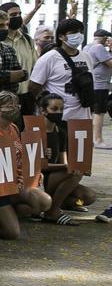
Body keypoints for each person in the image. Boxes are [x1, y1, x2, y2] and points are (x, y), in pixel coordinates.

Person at [0, 92, 52, 239]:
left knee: (43, 202)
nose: (15, 109)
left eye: (17, 106)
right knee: (11, 233)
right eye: (10, 106)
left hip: (13, 184)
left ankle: (8, 210)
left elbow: (16, 155)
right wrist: (2, 174)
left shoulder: (13, 128)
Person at [38, 93, 96, 224]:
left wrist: (74, 166)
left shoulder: (60, 131)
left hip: (54, 177)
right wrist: (69, 168)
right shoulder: (36, 131)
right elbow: (40, 166)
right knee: (75, 174)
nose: (59, 112)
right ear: (43, 110)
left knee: (88, 197)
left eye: (61, 109)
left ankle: (53, 202)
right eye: (54, 109)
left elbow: (62, 161)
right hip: (41, 179)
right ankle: (52, 211)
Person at [29, 19, 96, 124]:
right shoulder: (49, 58)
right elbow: (34, 87)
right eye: (73, 33)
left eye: (81, 32)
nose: (78, 35)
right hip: (59, 119)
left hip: (83, 118)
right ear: (61, 37)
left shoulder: (86, 57)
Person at [0, 0, 44, 114]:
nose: (17, 17)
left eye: (19, 14)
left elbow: (36, 66)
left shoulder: (27, 40)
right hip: (3, 98)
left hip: (25, 97)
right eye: (13, 15)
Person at [83, 29, 112, 147]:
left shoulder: (87, 47)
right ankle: (98, 139)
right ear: (105, 38)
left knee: (92, 113)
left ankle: (91, 138)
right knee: (100, 112)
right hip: (100, 85)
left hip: (92, 84)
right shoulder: (99, 47)